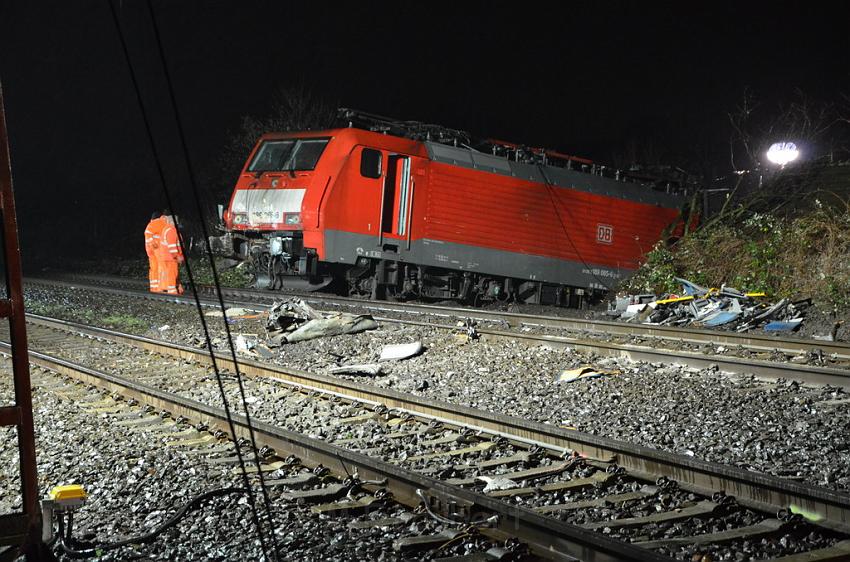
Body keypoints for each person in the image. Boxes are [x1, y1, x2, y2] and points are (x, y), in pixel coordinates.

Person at [157, 211, 185, 294]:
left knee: (170, 273)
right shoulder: (172, 230)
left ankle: (173, 288)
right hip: (171, 258)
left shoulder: (167, 229)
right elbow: (172, 246)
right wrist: (177, 256)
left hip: (167, 257)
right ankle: (172, 291)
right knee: (173, 274)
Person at [143, 211, 166, 293]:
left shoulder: (151, 223)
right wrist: (154, 245)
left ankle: (154, 288)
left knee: (154, 268)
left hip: (150, 250)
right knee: (159, 267)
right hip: (156, 250)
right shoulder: (158, 223)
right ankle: (159, 287)